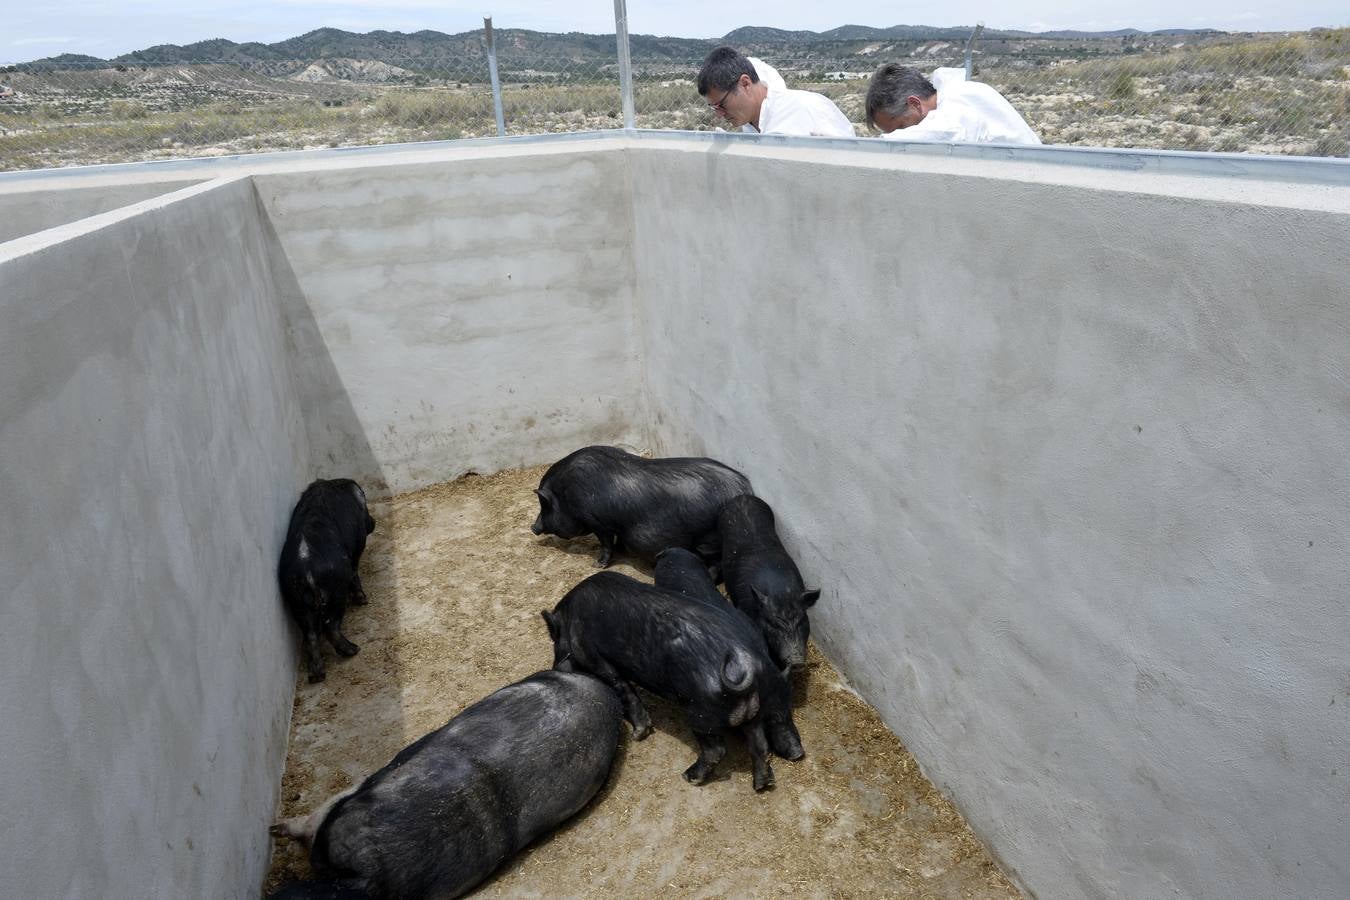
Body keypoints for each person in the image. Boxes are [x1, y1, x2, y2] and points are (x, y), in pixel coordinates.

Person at [697, 46, 855, 138]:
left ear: (745, 84)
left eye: (721, 104)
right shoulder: (750, 125)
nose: (719, 114)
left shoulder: (805, 109)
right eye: (714, 107)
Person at [864, 63, 1040, 145]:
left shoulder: (958, 102)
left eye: (901, 127)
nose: (904, 134)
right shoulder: (954, 97)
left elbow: (946, 133)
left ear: (915, 104)